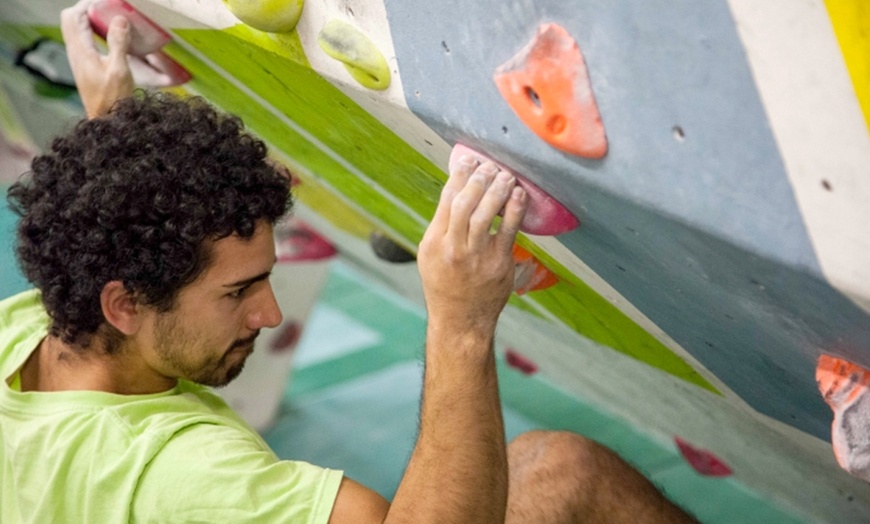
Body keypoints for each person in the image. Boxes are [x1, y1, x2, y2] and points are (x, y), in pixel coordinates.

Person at [0, 1, 696, 522]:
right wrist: (460, 323)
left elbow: (104, 244)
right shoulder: (184, 479)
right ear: (122, 305)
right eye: (239, 291)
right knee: (565, 472)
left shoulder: (30, 330)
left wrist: (116, 135)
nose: (268, 314)